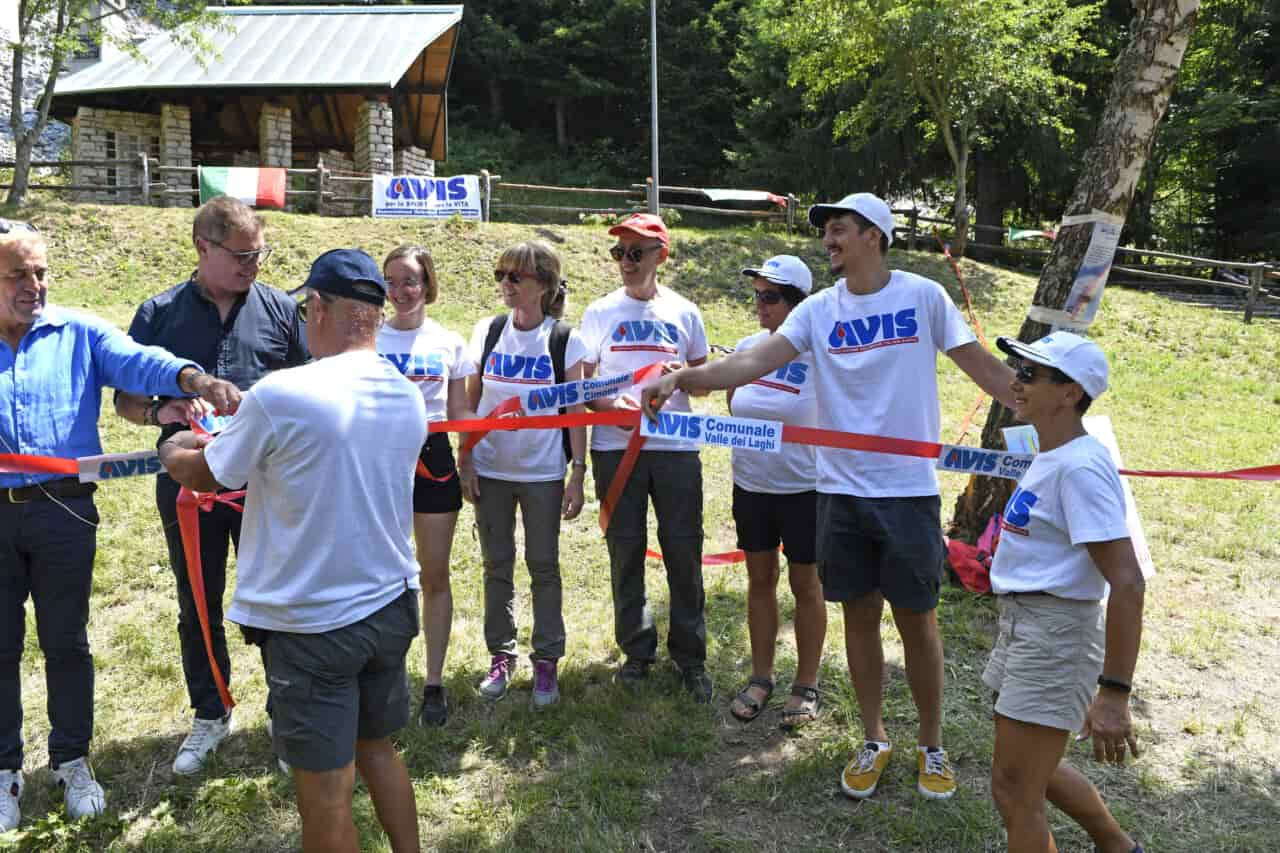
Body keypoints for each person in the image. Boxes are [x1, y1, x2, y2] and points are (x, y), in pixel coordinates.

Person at [641, 193, 1017, 796]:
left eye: (839, 229)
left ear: (875, 235)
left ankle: (932, 743)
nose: (828, 240)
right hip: (837, 492)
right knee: (860, 618)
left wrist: (1044, 408)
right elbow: (752, 361)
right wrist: (685, 377)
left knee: (918, 622)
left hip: (906, 492)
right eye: (827, 232)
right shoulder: (817, 310)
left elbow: (986, 370)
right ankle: (874, 738)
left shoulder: (923, 296)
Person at [157, 248, 425, 853]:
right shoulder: (405, 395)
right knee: (378, 750)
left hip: (314, 623)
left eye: (307, 308)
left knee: (326, 796)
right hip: (388, 603)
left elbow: (208, 474)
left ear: (321, 307)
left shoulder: (283, 393)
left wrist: (172, 447)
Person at [0, 220, 239, 830]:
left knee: (67, 642)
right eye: (18, 275)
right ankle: (4, 771)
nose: (35, 286)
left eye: (41, 272)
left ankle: (72, 760)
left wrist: (193, 380)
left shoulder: (76, 332)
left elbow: (140, 361)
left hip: (64, 513)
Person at [114, 196, 308, 776]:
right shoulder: (158, 312)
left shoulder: (278, 308)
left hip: (265, 481)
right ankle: (210, 711)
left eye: (260, 252)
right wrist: (158, 415)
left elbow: (306, 386)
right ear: (203, 247)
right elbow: (124, 399)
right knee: (196, 600)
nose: (254, 264)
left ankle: (285, 711)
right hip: (188, 484)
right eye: (243, 254)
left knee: (276, 594)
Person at [985, 332, 1146, 853]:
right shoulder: (1056, 454)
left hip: (1053, 636)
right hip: (1026, 626)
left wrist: (1115, 694)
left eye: (1031, 374)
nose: (1016, 381)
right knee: (1034, 771)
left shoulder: (1079, 467)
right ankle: (1117, 846)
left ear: (1070, 392)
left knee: (1014, 791)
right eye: (1019, 370)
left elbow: (1126, 579)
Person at [579, 213, 713, 703]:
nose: (627, 262)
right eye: (619, 253)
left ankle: (691, 658)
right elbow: (584, 384)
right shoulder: (598, 313)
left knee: (683, 550)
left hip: (676, 449)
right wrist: (608, 407)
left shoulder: (685, 312)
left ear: (662, 254)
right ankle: (636, 651)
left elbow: (703, 379)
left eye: (637, 252)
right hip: (616, 449)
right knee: (626, 549)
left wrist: (683, 376)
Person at [464, 240, 587, 708]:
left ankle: (547, 660)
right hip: (491, 470)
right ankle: (501, 654)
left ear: (544, 285)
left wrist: (578, 472)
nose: (506, 285)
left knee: (543, 566)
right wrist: (466, 459)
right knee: (496, 565)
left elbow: (575, 409)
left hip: (542, 474)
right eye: (502, 275)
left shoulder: (563, 339)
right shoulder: (488, 331)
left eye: (516, 277)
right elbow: (472, 403)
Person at [723, 256, 826, 730]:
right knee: (759, 580)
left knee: (805, 585)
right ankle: (761, 677)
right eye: (757, 294)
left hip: (806, 490)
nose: (760, 304)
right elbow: (732, 403)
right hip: (753, 487)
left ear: (798, 305)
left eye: (771, 296)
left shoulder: (822, 356)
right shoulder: (747, 347)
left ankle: (806, 685)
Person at [377, 244, 476, 726]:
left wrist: (479, 450)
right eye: (391, 282)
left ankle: (433, 683)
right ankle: (384, 677)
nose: (400, 292)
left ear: (427, 284)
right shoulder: (369, 342)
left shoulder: (450, 342)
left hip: (434, 463)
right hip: (376, 463)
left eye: (410, 281)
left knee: (433, 575)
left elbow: (460, 416)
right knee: (382, 576)